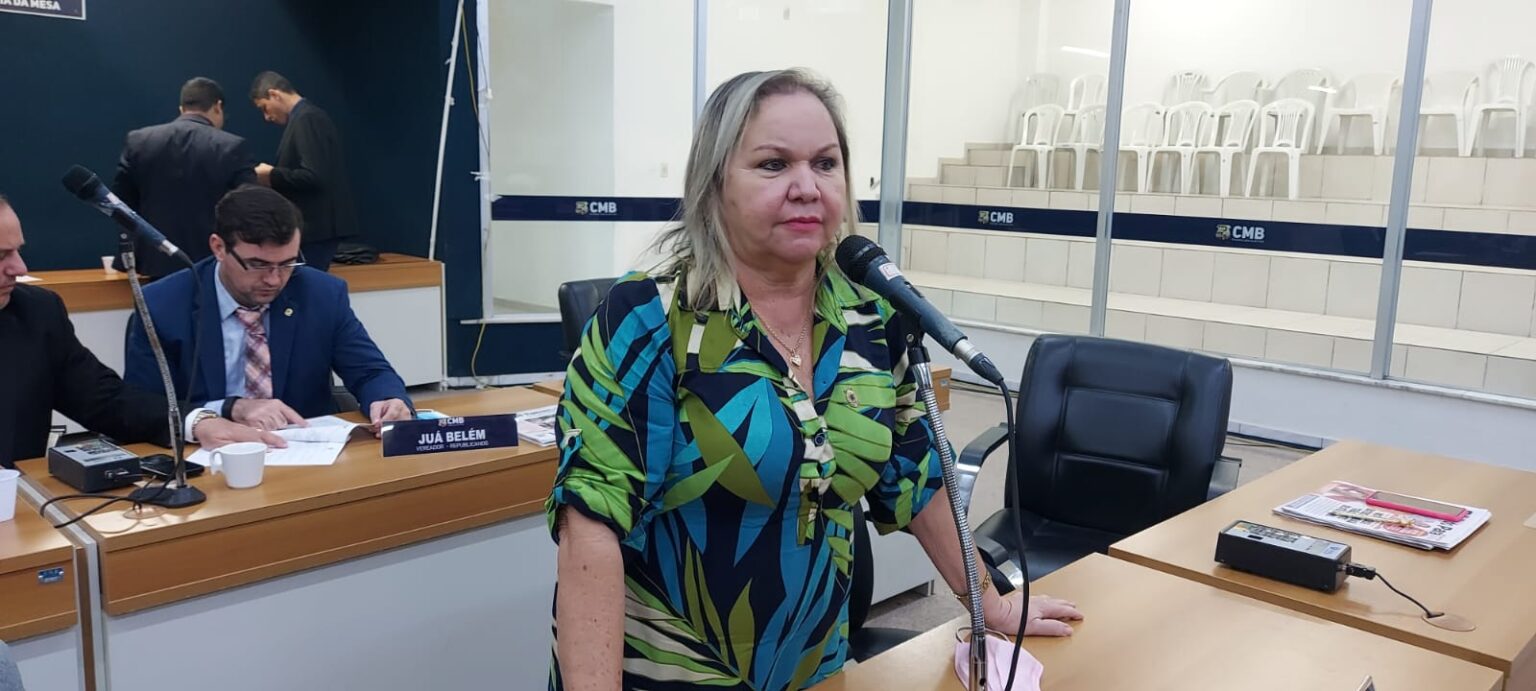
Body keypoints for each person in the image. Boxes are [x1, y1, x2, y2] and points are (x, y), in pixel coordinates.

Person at [545, 70, 1083, 690]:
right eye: (773, 165)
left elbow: (917, 482)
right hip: (663, 671)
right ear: (714, 183)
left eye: (825, 164)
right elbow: (590, 526)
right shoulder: (649, 318)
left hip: (814, 666)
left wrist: (990, 605)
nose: (807, 187)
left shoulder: (869, 317)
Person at [0, 195, 279, 469]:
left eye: (17, 251)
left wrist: (198, 422)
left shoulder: (36, 313)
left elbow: (106, 400)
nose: (19, 268)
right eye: (1, 255)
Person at [124, 185, 412, 435]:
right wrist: (230, 408)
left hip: (307, 454)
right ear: (219, 248)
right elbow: (141, 409)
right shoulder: (163, 305)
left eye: (287, 263)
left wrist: (388, 399)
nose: (274, 280)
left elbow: (371, 372)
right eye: (258, 265)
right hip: (209, 457)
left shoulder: (321, 294)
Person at [112, 77, 257, 278]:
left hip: (155, 261)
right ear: (218, 106)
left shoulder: (139, 141)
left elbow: (120, 201)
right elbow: (249, 206)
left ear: (182, 109)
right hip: (213, 261)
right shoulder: (232, 147)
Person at [248, 71, 356, 272]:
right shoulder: (304, 118)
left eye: (264, 108)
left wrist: (271, 175)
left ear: (274, 94)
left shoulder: (307, 119)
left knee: (306, 284)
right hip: (317, 229)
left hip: (317, 229)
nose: (267, 117)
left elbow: (314, 175)